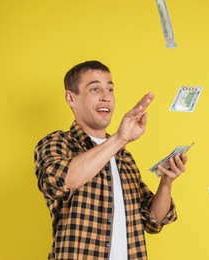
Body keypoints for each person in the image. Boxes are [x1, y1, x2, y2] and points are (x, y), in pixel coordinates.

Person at [34, 60, 188, 259]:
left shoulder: (124, 157)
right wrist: (119, 138)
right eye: (95, 89)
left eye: (110, 89)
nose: (106, 97)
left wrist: (167, 182)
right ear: (71, 98)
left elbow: (153, 220)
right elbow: (57, 181)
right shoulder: (57, 142)